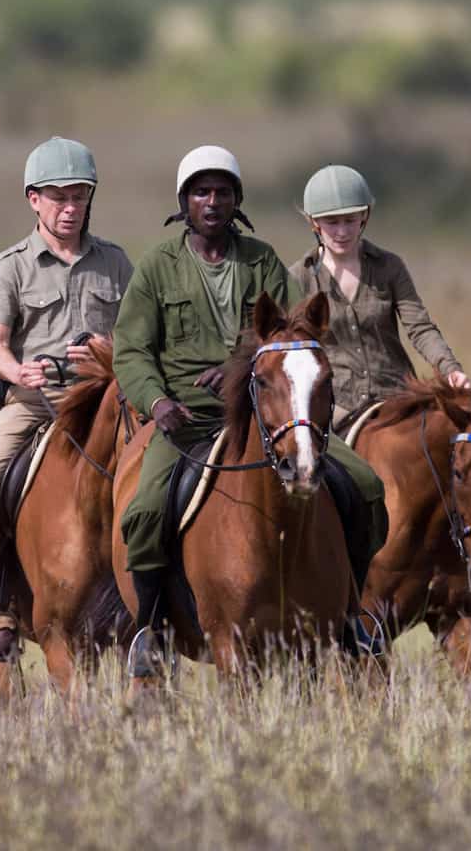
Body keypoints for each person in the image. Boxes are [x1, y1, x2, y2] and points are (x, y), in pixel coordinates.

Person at [111, 146, 389, 665]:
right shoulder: (155, 268)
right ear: (184, 202)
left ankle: (351, 613)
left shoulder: (261, 260)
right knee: (146, 508)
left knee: (366, 488)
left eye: (222, 192)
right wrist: (157, 402)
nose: (212, 201)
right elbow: (130, 350)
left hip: (268, 412)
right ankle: (148, 630)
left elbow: (295, 330)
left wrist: (242, 364)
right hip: (188, 421)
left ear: (237, 201)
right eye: (201, 192)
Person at [0, 137, 134, 662]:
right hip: (35, 403)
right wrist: (18, 370)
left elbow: (137, 337)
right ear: (33, 199)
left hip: (106, 404)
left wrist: (111, 351)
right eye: (57, 196)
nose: (69, 207)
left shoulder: (115, 262)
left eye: (79, 195)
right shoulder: (10, 266)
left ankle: (159, 604)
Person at [288, 165, 468, 432]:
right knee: (322, 465)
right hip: (337, 405)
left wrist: (449, 368)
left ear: (365, 216)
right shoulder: (298, 277)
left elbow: (420, 328)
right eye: (332, 222)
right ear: (314, 222)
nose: (342, 232)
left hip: (397, 395)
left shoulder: (389, 266)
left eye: (350, 220)